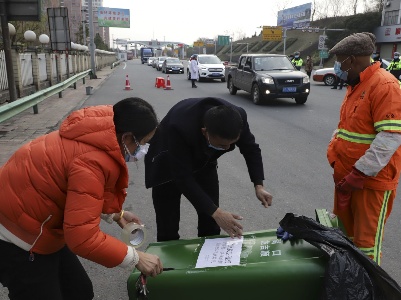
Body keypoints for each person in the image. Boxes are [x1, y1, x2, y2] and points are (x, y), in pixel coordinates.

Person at [0, 97, 163, 300]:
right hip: (17, 235)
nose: (142, 150)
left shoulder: (95, 136)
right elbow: (82, 238)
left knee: (79, 291)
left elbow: (80, 192)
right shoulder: (90, 161)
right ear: (127, 137)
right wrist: (136, 258)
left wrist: (116, 214)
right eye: (143, 143)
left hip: (40, 222)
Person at [144, 97, 273, 242]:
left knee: (211, 222)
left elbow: (251, 149)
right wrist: (217, 213)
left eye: (232, 144)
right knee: (168, 227)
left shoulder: (237, 119)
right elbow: (182, 176)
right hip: (167, 164)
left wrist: (259, 185)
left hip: (204, 162)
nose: (228, 148)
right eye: (223, 145)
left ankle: (209, 259)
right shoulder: (179, 126)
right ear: (205, 132)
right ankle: (167, 261)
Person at [327, 32, 401, 265]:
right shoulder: (357, 84)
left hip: (369, 184)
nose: (337, 67)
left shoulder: (385, 85)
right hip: (348, 180)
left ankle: (367, 290)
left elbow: (390, 137)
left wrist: (358, 174)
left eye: (339, 61)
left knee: (366, 245)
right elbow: (346, 130)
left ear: (352, 60)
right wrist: (334, 156)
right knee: (346, 240)